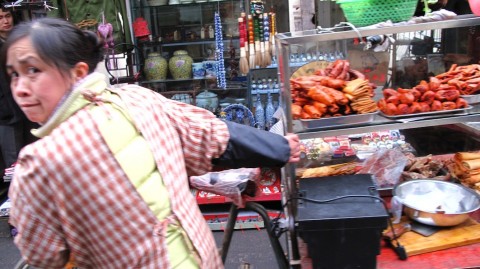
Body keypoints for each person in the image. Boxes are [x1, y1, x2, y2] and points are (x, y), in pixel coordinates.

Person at [2, 17, 300, 268]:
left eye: (33, 71)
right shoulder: (136, 98)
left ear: (78, 72)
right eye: (14, 75)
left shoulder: (38, 162)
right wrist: (282, 148)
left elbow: (44, 256)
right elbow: (213, 135)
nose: (21, 88)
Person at [0, 8, 36, 187]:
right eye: (0, 18)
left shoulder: (21, 40)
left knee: (33, 157)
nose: (5, 21)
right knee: (14, 165)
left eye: (7, 16)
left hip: (29, 108)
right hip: (6, 113)